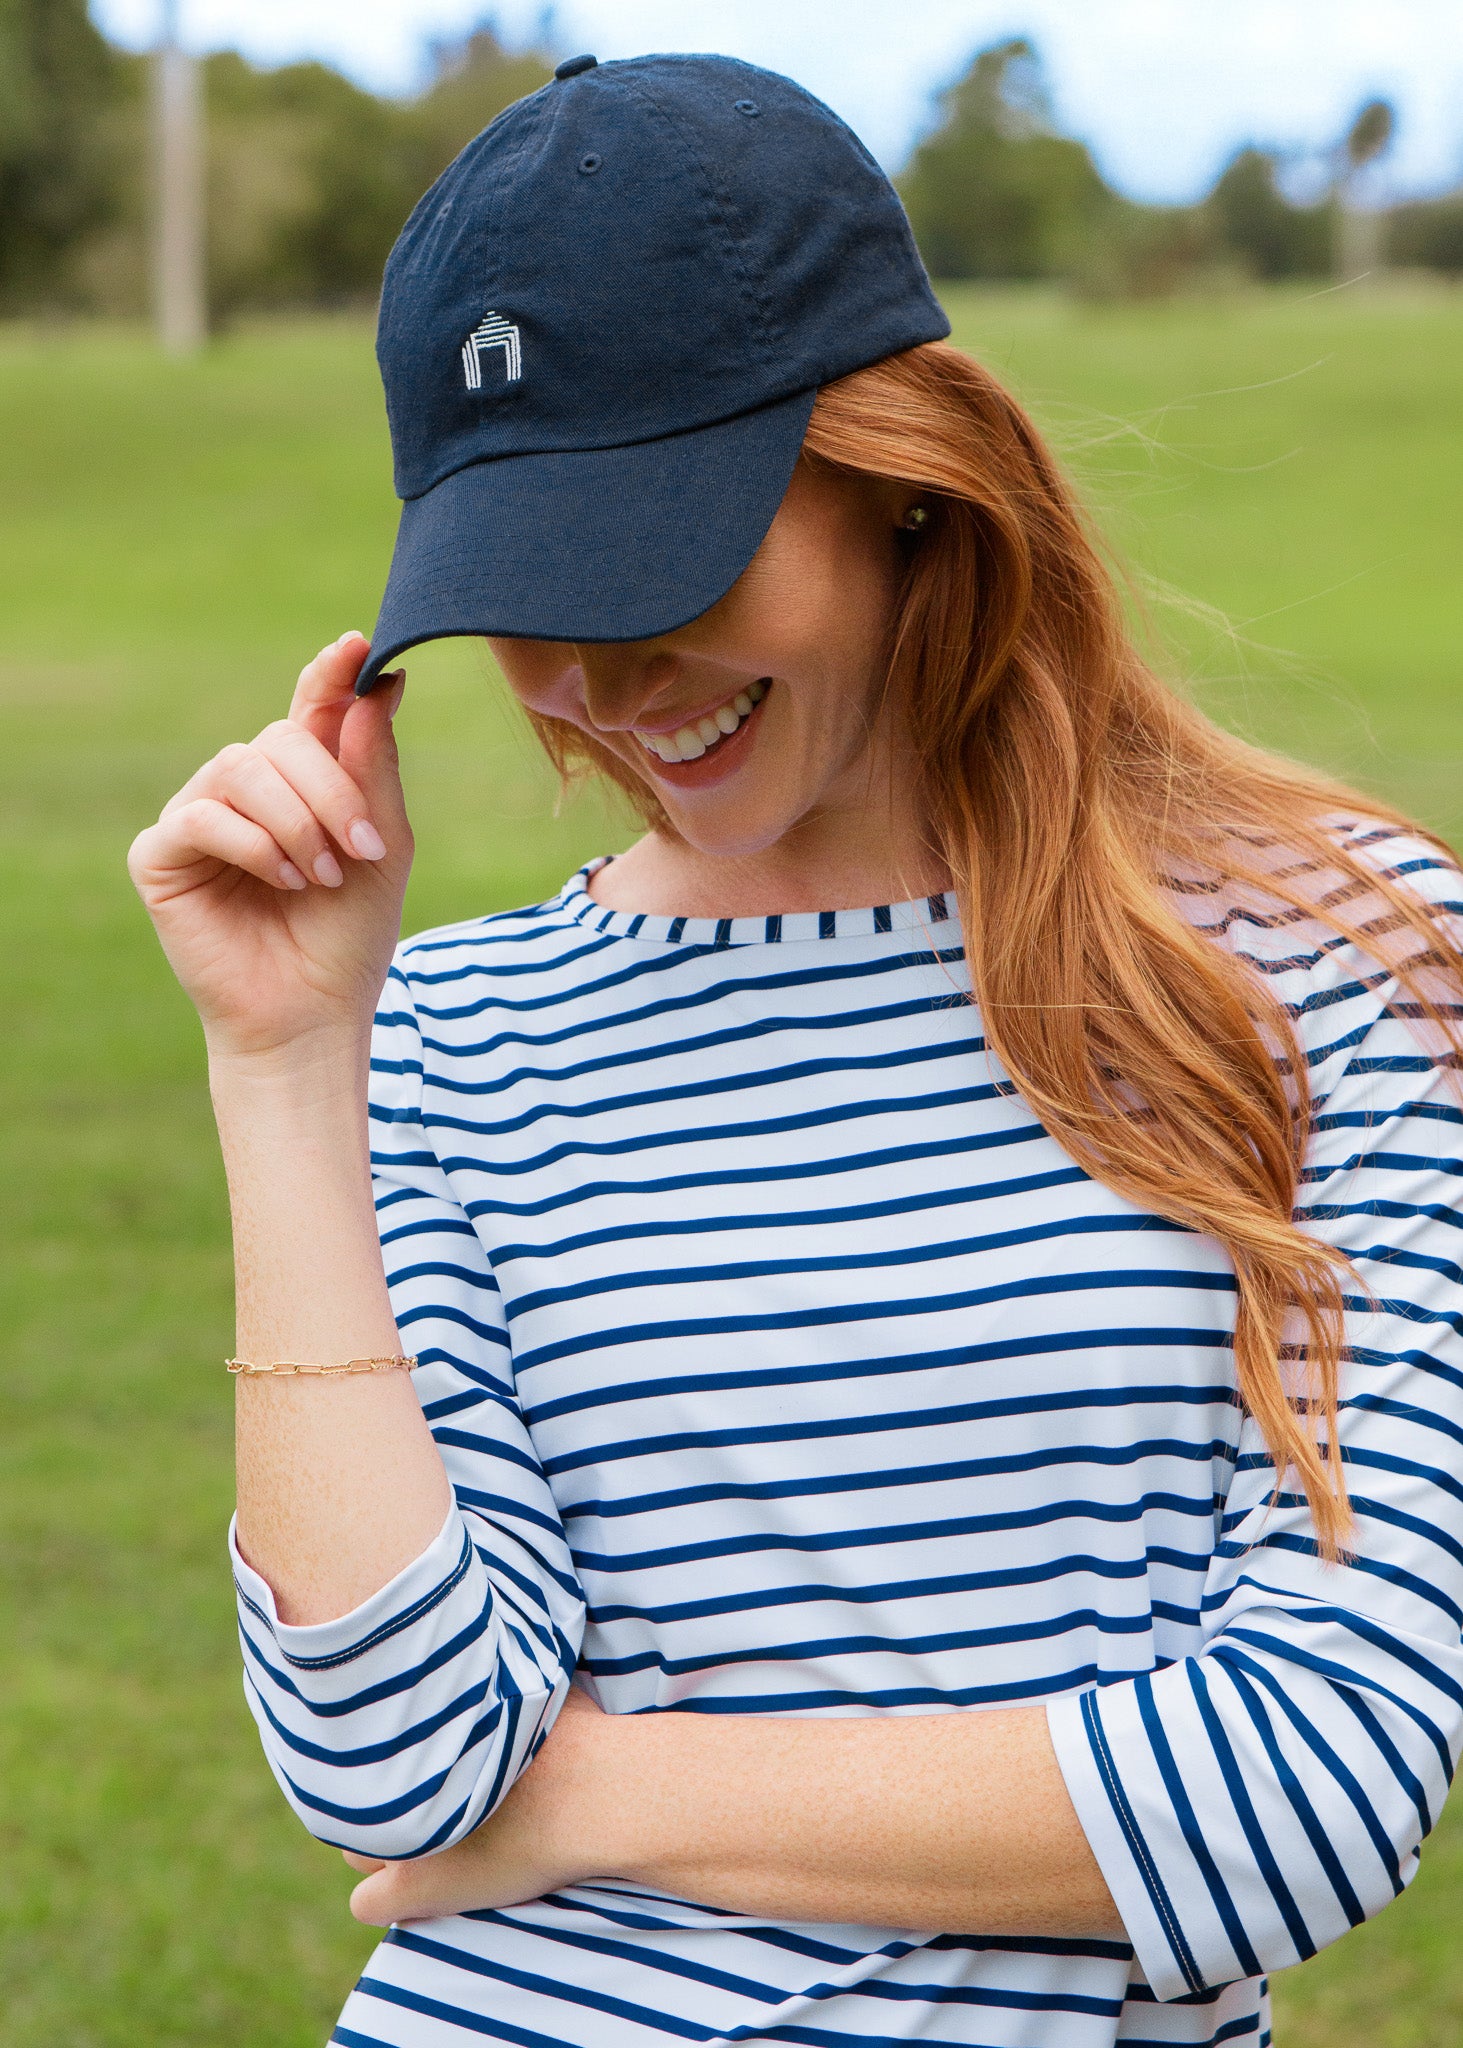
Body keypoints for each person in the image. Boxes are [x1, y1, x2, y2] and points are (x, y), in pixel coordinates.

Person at [128, 52, 1463, 2048]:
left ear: (903, 472)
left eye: (657, 557)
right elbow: (400, 1770)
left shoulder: (1333, 961)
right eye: (526, 597)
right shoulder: (454, 1041)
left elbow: (1310, 1790)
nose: (602, 681)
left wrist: (581, 1794)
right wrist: (285, 1065)